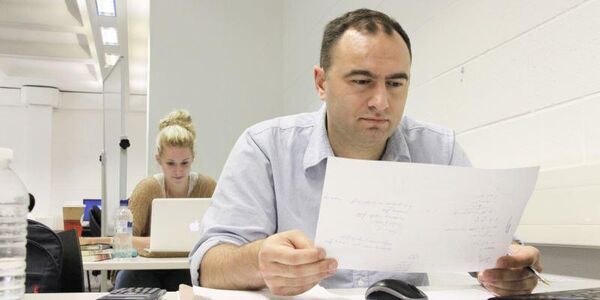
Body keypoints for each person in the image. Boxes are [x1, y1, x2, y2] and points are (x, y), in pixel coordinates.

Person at [191, 8, 542, 297]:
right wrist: (257, 263)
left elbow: (484, 249)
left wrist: (508, 266)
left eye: (395, 83)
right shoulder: (266, 147)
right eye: (361, 81)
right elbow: (208, 265)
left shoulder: (438, 149)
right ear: (321, 83)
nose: (381, 102)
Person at [115, 109, 217, 291]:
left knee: (198, 281)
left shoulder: (207, 187)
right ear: (158, 160)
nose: (178, 171)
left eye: (185, 163)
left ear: (193, 158)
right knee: (131, 282)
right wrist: (160, 243)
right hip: (146, 269)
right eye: (170, 164)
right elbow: (124, 239)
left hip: (188, 266)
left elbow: (221, 234)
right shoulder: (147, 189)